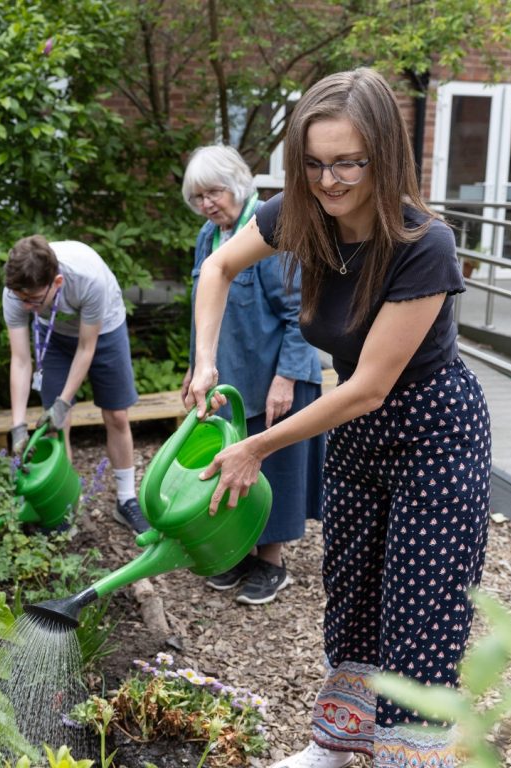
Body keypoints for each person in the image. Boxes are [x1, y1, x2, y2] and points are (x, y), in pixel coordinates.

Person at [184, 68, 491, 768]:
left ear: (383, 155)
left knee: (419, 610)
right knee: (351, 589)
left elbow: (370, 388)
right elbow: (217, 271)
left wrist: (256, 446)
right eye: (315, 163)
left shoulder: (423, 244)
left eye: (348, 161)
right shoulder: (299, 214)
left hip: (430, 434)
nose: (329, 181)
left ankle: (406, 758)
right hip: (355, 433)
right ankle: (336, 744)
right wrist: (205, 361)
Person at [180, 144, 325, 605]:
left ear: (238, 183)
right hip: (232, 377)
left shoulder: (269, 227)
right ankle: (242, 550)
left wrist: (287, 377)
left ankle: (272, 563)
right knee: (232, 462)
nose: (207, 204)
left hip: (276, 373)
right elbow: (203, 310)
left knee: (272, 465)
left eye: (214, 192)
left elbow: (301, 311)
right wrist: (194, 366)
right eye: (198, 196)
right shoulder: (210, 236)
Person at [3, 235, 149, 534]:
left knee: (117, 415)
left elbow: (86, 348)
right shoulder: (16, 292)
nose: (26, 306)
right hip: (53, 335)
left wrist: (63, 401)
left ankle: (126, 499)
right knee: (57, 427)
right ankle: (64, 508)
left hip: (105, 329)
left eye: (33, 300)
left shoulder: (88, 280)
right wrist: (18, 425)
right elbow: (19, 360)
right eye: (22, 299)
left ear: (56, 282)